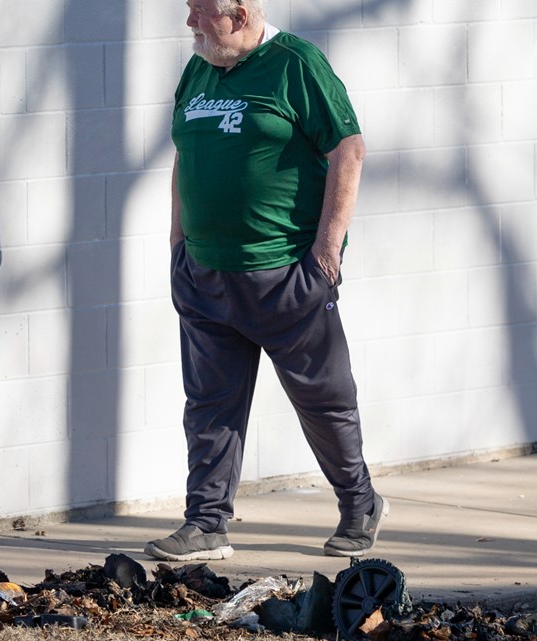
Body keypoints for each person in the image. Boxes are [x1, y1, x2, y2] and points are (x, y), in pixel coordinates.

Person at [144, 0, 388, 561]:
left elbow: (347, 149)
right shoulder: (200, 69)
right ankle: (205, 524)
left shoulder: (295, 64)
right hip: (206, 275)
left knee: (323, 400)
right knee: (209, 405)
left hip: (283, 274)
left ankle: (360, 504)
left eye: (200, 11)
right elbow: (186, 155)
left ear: (241, 11)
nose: (190, 23)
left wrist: (327, 252)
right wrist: (178, 246)